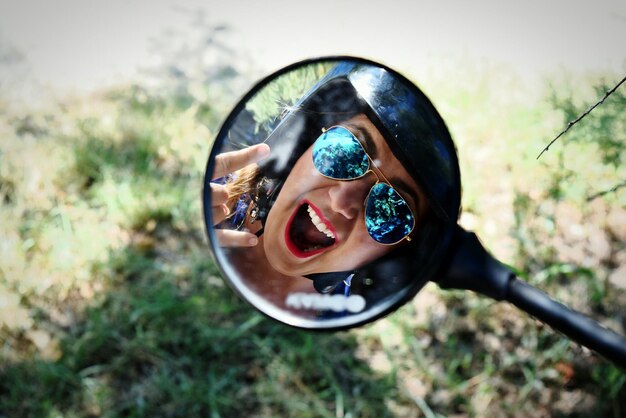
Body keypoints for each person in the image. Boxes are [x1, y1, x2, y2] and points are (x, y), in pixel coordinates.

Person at [207, 60, 461, 316]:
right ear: (300, 146)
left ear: (395, 254)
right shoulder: (211, 182)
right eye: (344, 151)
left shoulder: (347, 313)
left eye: (391, 210)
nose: (342, 200)